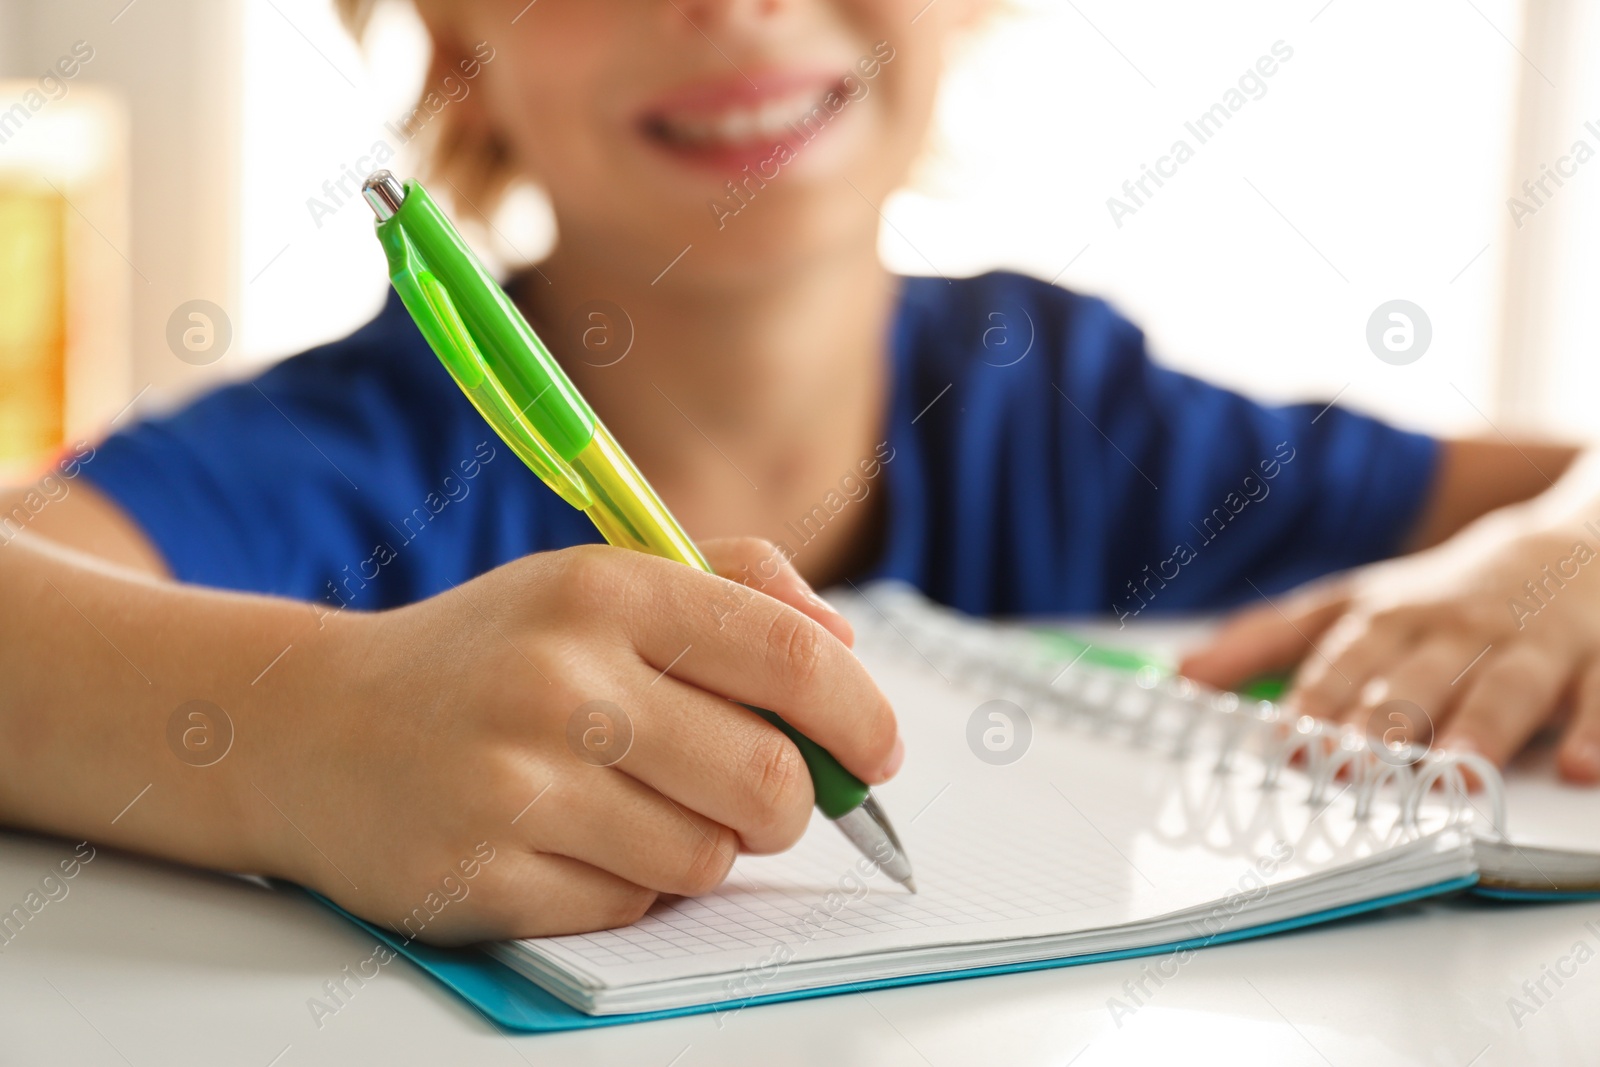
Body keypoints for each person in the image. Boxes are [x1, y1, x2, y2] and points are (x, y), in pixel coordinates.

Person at [1, 0, 1596, 945]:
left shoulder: (1063, 403)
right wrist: (293, 733)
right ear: (452, 33)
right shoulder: (348, 464)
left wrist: (1572, 534)